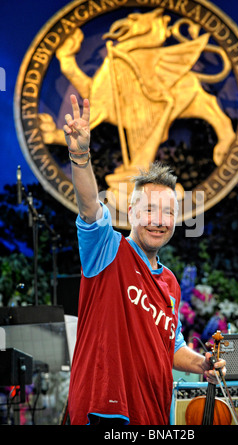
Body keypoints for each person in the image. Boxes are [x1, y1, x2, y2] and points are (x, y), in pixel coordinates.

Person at [63, 94, 226, 425]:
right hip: (104, 414)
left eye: (168, 211)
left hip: (153, 418)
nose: (159, 219)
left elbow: (172, 347)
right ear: (131, 212)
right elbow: (90, 206)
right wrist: (80, 155)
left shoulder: (170, 283)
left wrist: (203, 365)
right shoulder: (107, 250)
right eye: (149, 208)